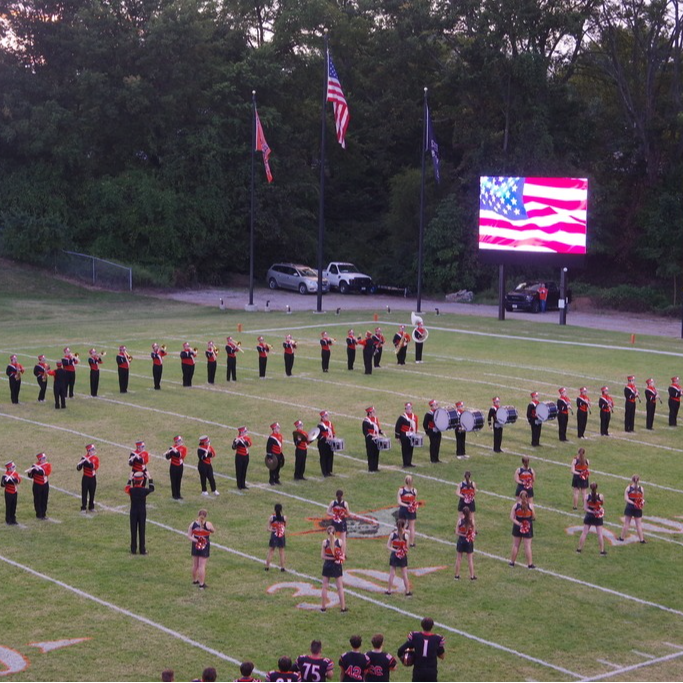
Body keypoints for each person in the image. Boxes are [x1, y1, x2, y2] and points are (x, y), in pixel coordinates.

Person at [397, 617, 445, 683]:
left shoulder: (415, 636)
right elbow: (442, 656)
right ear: (432, 626)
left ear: (421, 625)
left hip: (418, 670)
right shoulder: (437, 639)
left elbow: (400, 651)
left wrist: (406, 657)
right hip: (431, 671)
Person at [125, 470, 154, 555]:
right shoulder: (144, 490)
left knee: (133, 531)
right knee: (142, 530)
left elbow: (126, 488)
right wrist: (150, 478)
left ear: (134, 481)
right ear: (142, 481)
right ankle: (142, 549)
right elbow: (152, 488)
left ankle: (133, 549)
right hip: (142, 512)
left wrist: (129, 479)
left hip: (133, 512)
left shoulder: (132, 490)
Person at [321, 526, 346, 612]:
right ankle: (343, 607)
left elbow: (323, 556)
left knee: (324, 587)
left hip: (327, 565)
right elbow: (343, 555)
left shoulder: (325, 542)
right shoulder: (340, 542)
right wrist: (337, 559)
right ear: (335, 532)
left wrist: (331, 558)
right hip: (337, 566)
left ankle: (323, 607)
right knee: (340, 587)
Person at [576, 482, 607, 555]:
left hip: (589, 515)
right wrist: (597, 511)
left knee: (584, 533)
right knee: (599, 534)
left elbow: (585, 508)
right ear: (596, 488)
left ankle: (579, 549)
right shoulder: (601, 496)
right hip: (598, 516)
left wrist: (592, 512)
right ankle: (602, 551)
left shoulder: (587, 496)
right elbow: (602, 504)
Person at [189, 509, 215, 589]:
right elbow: (213, 531)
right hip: (204, 544)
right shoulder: (208, 524)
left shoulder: (193, 524)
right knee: (202, 565)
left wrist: (197, 540)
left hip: (195, 544)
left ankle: (194, 580)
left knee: (195, 565)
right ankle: (201, 584)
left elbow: (189, 536)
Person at [509, 490, 535, 569]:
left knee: (516, 545)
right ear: (527, 497)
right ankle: (530, 564)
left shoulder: (515, 506)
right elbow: (533, 517)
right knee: (527, 546)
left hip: (517, 527)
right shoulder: (530, 506)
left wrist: (519, 523)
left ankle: (512, 563)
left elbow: (511, 517)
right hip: (527, 527)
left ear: (520, 497)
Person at [386, 519, 412, 596]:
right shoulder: (405, 536)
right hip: (403, 556)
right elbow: (407, 547)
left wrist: (395, 550)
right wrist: (401, 551)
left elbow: (388, 546)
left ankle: (389, 591)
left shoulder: (392, 535)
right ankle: (407, 592)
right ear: (404, 526)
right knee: (404, 574)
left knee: (392, 574)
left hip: (394, 555)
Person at [618, 475, 646, 544]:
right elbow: (642, 498)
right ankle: (641, 540)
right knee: (638, 524)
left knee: (627, 523)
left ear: (632, 480)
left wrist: (633, 503)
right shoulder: (641, 488)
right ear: (638, 480)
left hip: (630, 507)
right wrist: (638, 503)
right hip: (638, 508)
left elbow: (626, 498)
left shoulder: (628, 488)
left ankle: (622, 538)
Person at [26, 452, 51, 519]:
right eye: (43, 458)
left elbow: (46, 473)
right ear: (40, 459)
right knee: (37, 499)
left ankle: (43, 513)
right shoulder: (35, 465)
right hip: (37, 485)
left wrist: (38, 470)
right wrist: (30, 472)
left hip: (45, 484)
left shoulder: (47, 465)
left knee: (44, 499)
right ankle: (39, 514)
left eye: (45, 458)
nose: (45, 459)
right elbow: (31, 476)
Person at [454, 506, 476, 580]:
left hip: (461, 541)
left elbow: (456, 532)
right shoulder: (471, 521)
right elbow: (473, 532)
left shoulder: (460, 521)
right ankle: (472, 576)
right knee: (470, 559)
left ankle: (456, 575)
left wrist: (462, 535)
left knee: (459, 559)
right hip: (468, 541)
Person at [77, 443, 99, 512]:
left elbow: (94, 467)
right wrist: (81, 464)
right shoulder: (84, 458)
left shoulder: (95, 458)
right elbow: (78, 468)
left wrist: (88, 462)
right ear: (89, 451)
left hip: (92, 478)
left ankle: (91, 507)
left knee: (92, 493)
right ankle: (83, 507)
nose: (93, 451)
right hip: (86, 478)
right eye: (92, 450)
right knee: (84, 493)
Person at [395, 402, 418, 468]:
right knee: (405, 449)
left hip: (412, 435)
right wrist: (397, 437)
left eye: (410, 408)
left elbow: (416, 426)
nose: (409, 409)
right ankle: (405, 463)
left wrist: (415, 434)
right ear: (405, 409)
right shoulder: (402, 417)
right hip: (404, 435)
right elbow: (397, 427)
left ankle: (409, 463)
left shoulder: (415, 416)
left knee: (411, 449)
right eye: (407, 408)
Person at [397, 475, 418, 547]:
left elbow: (399, 502)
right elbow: (414, 501)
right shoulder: (414, 490)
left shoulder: (401, 490)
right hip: (411, 511)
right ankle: (411, 543)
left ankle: (401, 540)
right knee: (412, 527)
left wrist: (406, 505)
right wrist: (412, 506)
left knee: (401, 526)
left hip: (403, 509)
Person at [265, 503, 287, 572]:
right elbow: (284, 527)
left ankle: (267, 567)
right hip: (281, 535)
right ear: (281, 510)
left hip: (274, 535)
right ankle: (282, 568)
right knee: (282, 552)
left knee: (271, 551)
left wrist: (273, 529)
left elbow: (268, 528)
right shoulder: (284, 518)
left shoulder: (271, 517)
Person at [165, 435, 187, 500]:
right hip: (173, 466)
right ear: (175, 442)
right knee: (173, 481)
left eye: (180, 441)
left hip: (180, 466)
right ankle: (174, 495)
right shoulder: (172, 448)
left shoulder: (184, 448)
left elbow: (181, 456)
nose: (179, 442)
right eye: (177, 441)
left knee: (179, 480)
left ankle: (178, 494)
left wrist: (176, 451)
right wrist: (169, 453)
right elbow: (168, 457)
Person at [363, 406, 384, 472]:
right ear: (369, 413)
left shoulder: (375, 419)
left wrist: (381, 432)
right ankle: (371, 468)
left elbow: (377, 428)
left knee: (376, 453)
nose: (374, 413)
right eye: (373, 412)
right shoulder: (365, 421)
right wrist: (372, 435)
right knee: (371, 453)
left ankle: (375, 467)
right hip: (370, 440)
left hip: (376, 438)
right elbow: (365, 432)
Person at [317, 411, 336, 477]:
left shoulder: (330, 423)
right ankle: (324, 472)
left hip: (330, 443)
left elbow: (333, 432)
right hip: (323, 444)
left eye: (327, 416)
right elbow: (318, 436)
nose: (326, 417)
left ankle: (329, 471)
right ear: (322, 417)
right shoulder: (320, 425)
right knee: (323, 457)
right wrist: (326, 438)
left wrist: (333, 437)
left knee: (330, 456)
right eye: (325, 416)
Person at [2, 461, 21, 525]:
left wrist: (13, 479)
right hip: (8, 493)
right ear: (9, 468)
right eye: (12, 467)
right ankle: (8, 520)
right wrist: (6, 480)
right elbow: (2, 484)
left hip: (15, 492)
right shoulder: (5, 476)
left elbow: (18, 481)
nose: (14, 468)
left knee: (14, 506)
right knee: (9, 506)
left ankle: (13, 519)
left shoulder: (15, 474)